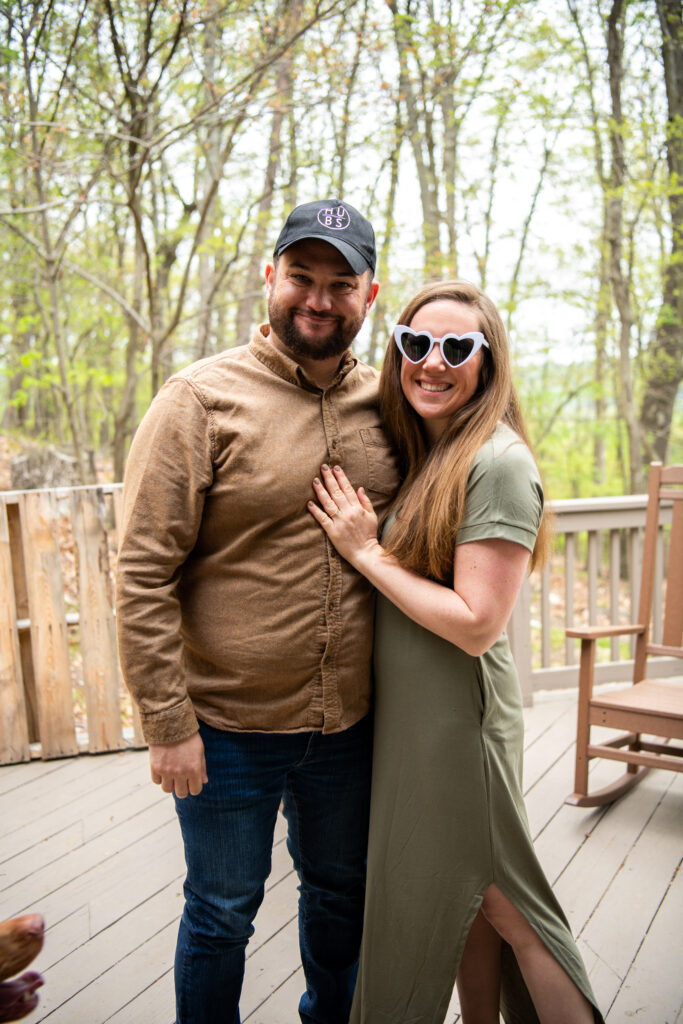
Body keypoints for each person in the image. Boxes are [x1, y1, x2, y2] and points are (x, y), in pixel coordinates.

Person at [115, 199, 399, 1024]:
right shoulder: (197, 401)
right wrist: (167, 722)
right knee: (221, 913)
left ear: (368, 296)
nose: (318, 299)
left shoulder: (389, 405)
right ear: (268, 278)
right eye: (301, 277)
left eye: (339, 284)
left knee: (342, 893)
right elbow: (140, 572)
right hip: (228, 728)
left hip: (348, 726)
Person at [308, 280, 603, 1024]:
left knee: (510, 909)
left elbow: (476, 623)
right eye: (414, 344)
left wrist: (365, 553)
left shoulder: (496, 463)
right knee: (467, 905)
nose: (431, 362)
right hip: (421, 728)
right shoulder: (438, 454)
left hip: (460, 734)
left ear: (487, 360)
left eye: (455, 347)